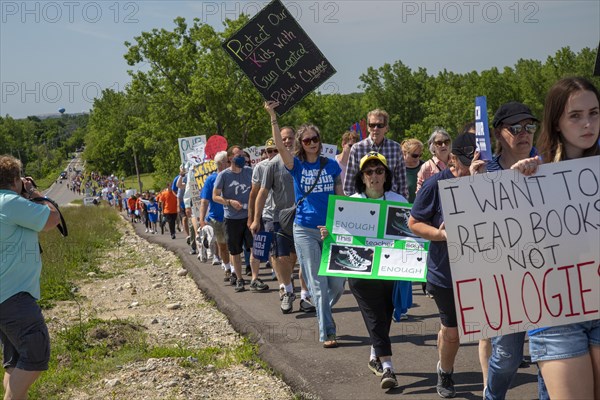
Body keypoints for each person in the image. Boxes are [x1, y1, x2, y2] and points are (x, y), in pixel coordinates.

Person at [516, 76, 600, 400]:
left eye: (594, 113)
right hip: (556, 314)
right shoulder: (534, 175)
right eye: (576, 116)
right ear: (557, 122)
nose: (588, 123)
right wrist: (515, 185)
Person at [408, 133, 486, 398]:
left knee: (489, 330)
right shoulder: (434, 185)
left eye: (475, 157)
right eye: (465, 160)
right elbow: (414, 223)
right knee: (452, 333)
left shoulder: (488, 179)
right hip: (445, 272)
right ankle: (446, 370)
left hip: (482, 268)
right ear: (452, 158)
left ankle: (492, 385)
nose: (470, 163)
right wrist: (441, 235)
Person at [320, 151, 407, 389]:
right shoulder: (351, 203)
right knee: (374, 315)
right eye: (369, 171)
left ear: (386, 175)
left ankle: (374, 354)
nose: (374, 176)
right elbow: (338, 234)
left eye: (379, 171)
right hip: (360, 272)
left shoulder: (398, 201)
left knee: (383, 315)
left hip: (391, 270)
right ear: (362, 176)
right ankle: (388, 368)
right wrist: (329, 233)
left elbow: (412, 232)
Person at [265, 100, 345, 348]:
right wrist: (273, 117)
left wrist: (337, 224)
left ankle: (321, 310)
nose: (312, 143)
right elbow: (279, 145)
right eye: (307, 140)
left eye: (315, 139)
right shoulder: (296, 166)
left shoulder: (331, 165)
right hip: (304, 230)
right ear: (301, 144)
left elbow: (340, 197)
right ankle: (327, 331)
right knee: (318, 284)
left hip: (329, 231)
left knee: (337, 285)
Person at [484, 101, 542, 400]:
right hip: (506, 280)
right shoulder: (484, 170)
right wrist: (473, 183)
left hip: (549, 275)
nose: (524, 133)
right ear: (498, 133)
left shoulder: (551, 166)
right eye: (515, 128)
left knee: (548, 356)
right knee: (506, 356)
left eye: (530, 126)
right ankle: (492, 397)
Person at [0, 155, 60, 399]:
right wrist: (34, 191)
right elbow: (52, 219)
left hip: (5, 298)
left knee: (15, 361)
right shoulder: (11, 203)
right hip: (14, 297)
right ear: (16, 180)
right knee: (36, 352)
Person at [251, 128, 316, 315]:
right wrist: (255, 219)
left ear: (296, 139)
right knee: (281, 258)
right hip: (280, 218)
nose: (287, 141)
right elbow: (261, 193)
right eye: (283, 138)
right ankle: (287, 290)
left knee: (303, 259)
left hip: (304, 217)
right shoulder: (272, 165)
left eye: (290, 138)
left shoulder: (305, 162)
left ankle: (305, 296)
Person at [213, 145, 269, 293]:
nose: (242, 158)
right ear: (230, 158)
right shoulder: (223, 175)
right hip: (232, 219)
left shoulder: (250, 172)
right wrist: (229, 202)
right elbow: (215, 196)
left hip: (249, 217)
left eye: (243, 155)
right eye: (238, 155)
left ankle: (255, 279)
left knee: (254, 248)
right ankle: (239, 279)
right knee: (235, 251)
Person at [343, 109, 408, 199]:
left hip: (390, 201)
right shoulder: (357, 148)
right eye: (372, 125)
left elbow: (402, 183)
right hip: (364, 201)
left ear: (386, 128)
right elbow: (349, 184)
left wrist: (401, 206)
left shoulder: (396, 148)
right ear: (368, 127)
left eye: (380, 125)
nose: (375, 128)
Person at [199, 151, 231, 274]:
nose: (229, 163)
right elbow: (204, 201)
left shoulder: (232, 175)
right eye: (227, 161)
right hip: (217, 218)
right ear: (221, 164)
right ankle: (226, 263)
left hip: (233, 216)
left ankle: (232, 268)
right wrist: (202, 220)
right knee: (222, 244)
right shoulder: (211, 180)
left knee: (232, 244)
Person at [416, 128, 451, 193]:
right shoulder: (426, 167)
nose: (443, 145)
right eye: (439, 143)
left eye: (446, 142)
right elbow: (420, 193)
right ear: (432, 147)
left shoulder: (458, 162)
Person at [400, 138, 424, 203]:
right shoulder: (397, 168)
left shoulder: (425, 167)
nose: (418, 158)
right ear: (404, 153)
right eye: (414, 155)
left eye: (420, 155)